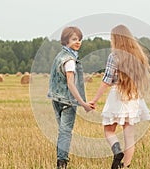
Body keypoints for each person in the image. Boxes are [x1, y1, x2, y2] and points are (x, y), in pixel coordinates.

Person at [90, 25, 150, 169]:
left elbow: (107, 80)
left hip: (117, 95)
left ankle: (117, 151)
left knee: (109, 130)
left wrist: (94, 100)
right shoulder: (139, 55)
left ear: (116, 39)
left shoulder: (114, 56)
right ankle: (125, 166)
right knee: (129, 137)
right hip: (133, 95)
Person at [47, 26, 93, 169]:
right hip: (67, 101)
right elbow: (71, 84)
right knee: (66, 132)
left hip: (56, 99)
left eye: (79, 39)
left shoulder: (59, 56)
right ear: (66, 40)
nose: (78, 42)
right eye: (74, 39)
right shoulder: (70, 60)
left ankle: (61, 159)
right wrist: (83, 103)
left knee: (62, 131)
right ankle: (62, 163)